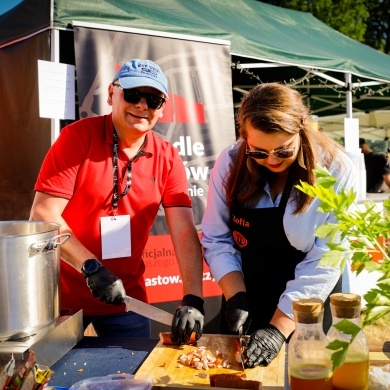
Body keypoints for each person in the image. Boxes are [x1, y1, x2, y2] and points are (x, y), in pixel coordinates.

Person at [30, 59, 204, 343]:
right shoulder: (76, 137)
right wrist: (91, 267)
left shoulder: (168, 156)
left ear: (162, 107)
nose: (141, 105)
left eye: (154, 99)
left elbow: (184, 230)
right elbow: (42, 215)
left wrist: (193, 296)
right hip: (60, 299)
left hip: (126, 299)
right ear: (112, 94)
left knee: (130, 380)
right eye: (133, 94)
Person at [201, 83, 356, 367]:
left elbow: (325, 258)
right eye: (258, 152)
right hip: (248, 291)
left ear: (302, 125)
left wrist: (277, 329)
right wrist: (236, 297)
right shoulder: (230, 162)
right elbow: (217, 239)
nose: (271, 160)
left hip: (309, 301)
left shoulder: (335, 169)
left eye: (283, 151)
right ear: (243, 135)